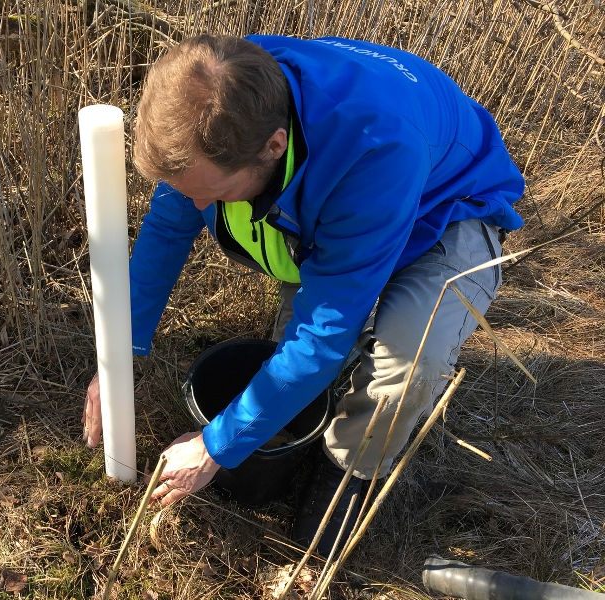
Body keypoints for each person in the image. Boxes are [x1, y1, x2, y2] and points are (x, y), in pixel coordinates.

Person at [82, 34, 524, 554]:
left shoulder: (373, 148)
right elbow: (166, 231)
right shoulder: (216, 98)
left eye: (210, 192)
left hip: (449, 209)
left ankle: (348, 474)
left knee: (406, 367)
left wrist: (213, 447)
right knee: (295, 377)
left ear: (273, 146)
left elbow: (321, 337)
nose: (195, 204)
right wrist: (122, 353)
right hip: (339, 194)